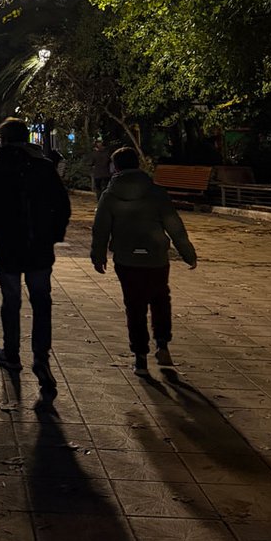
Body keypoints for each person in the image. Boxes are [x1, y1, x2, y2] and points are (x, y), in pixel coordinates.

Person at [0, 118, 71, 393]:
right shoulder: (43, 167)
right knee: (41, 302)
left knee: (11, 301)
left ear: (3, 140)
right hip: (39, 248)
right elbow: (62, 206)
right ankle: (41, 358)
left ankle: (12, 353)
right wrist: (53, 235)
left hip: (8, 247)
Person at [90, 146, 198, 375]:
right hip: (156, 256)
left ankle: (140, 356)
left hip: (127, 258)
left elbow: (100, 230)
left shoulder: (109, 196)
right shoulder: (156, 193)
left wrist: (98, 256)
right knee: (160, 299)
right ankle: (162, 344)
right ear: (137, 164)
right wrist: (187, 252)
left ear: (115, 167)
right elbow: (174, 225)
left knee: (134, 304)